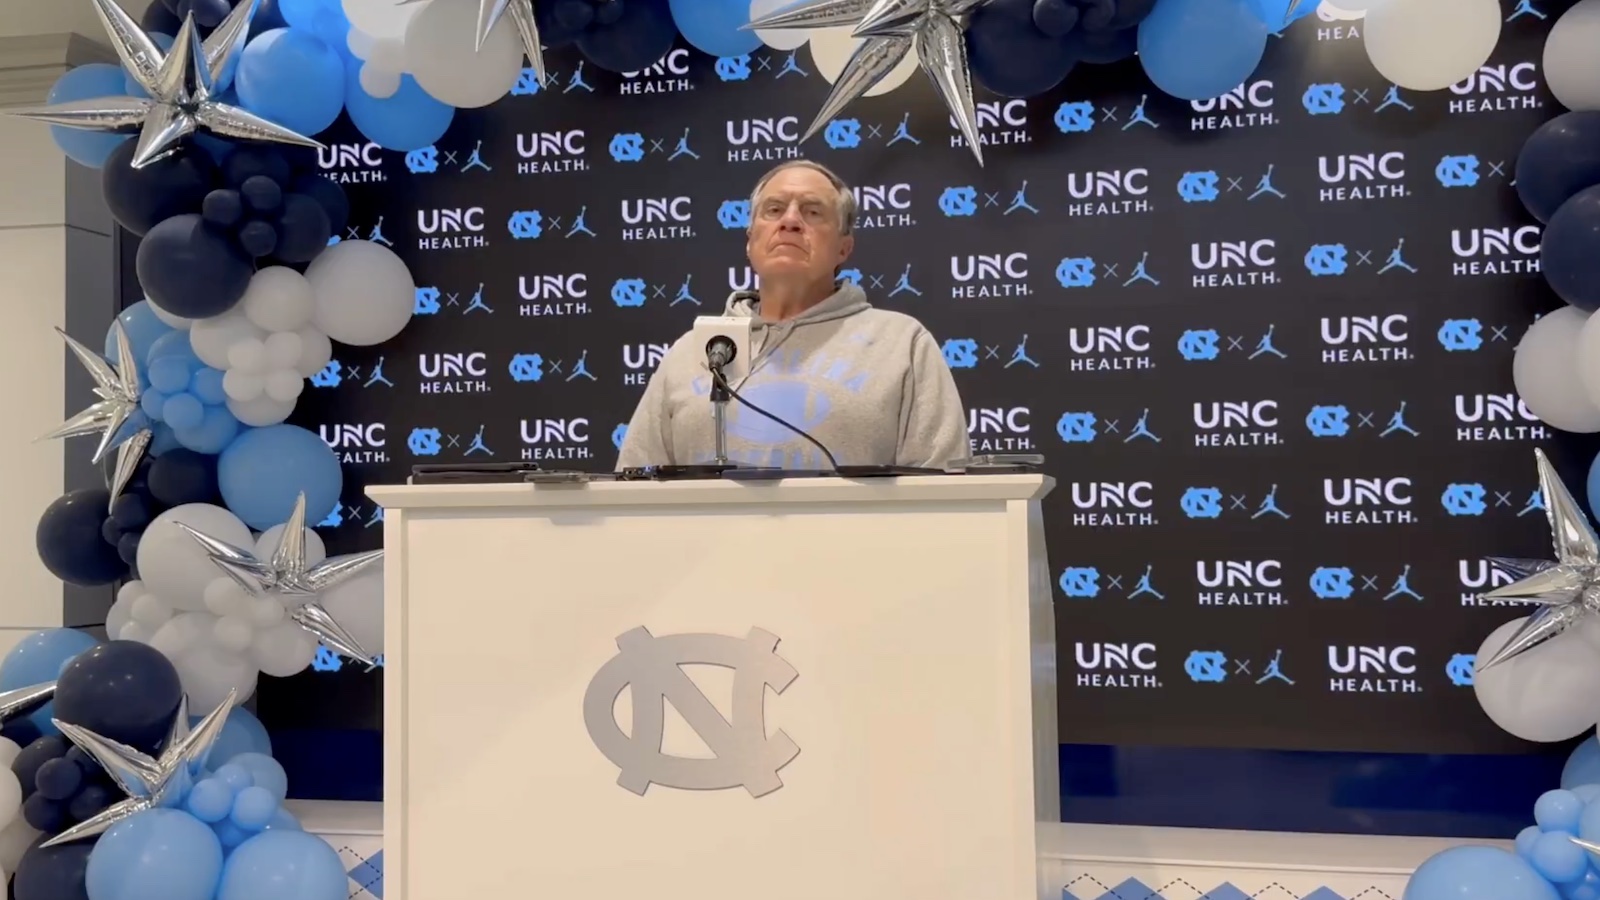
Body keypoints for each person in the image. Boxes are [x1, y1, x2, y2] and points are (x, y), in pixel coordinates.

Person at [617, 160, 969, 470]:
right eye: (773, 210)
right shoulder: (692, 350)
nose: (790, 221)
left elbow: (942, 481)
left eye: (813, 211)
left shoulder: (901, 342)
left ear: (844, 247)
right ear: (750, 239)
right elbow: (635, 482)